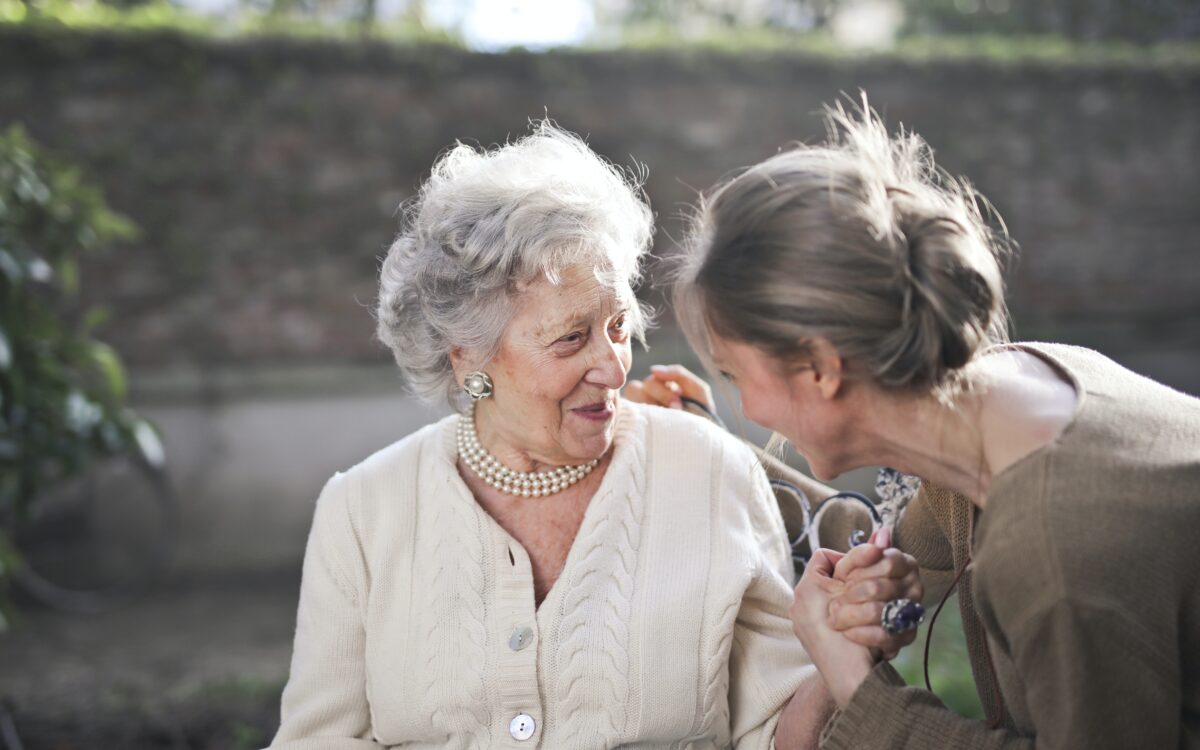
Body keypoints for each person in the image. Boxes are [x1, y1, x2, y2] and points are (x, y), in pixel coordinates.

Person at [269, 122, 918, 749]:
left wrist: (841, 651)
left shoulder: (710, 472)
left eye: (617, 326)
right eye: (571, 338)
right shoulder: (362, 511)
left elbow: (774, 734)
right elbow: (320, 738)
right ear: (467, 353)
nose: (612, 366)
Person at [660, 99, 1200, 748]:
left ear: (821, 369)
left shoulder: (1056, 549)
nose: (749, 411)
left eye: (737, 376)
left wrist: (860, 690)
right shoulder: (1008, 398)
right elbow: (878, 554)